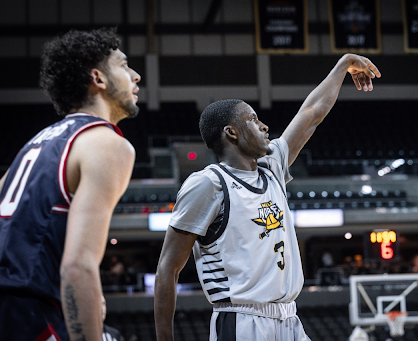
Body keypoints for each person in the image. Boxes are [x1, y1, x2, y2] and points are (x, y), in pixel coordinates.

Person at [154, 53, 380, 340]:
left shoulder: (271, 166)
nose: (264, 127)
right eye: (253, 119)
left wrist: (343, 65)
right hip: (242, 320)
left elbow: (311, 113)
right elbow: (167, 269)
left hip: (290, 318)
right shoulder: (208, 184)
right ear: (231, 133)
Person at [0, 27, 141, 340]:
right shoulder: (106, 144)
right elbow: (78, 266)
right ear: (98, 79)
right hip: (32, 314)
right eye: (123, 65)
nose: (136, 76)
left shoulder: (34, 144)